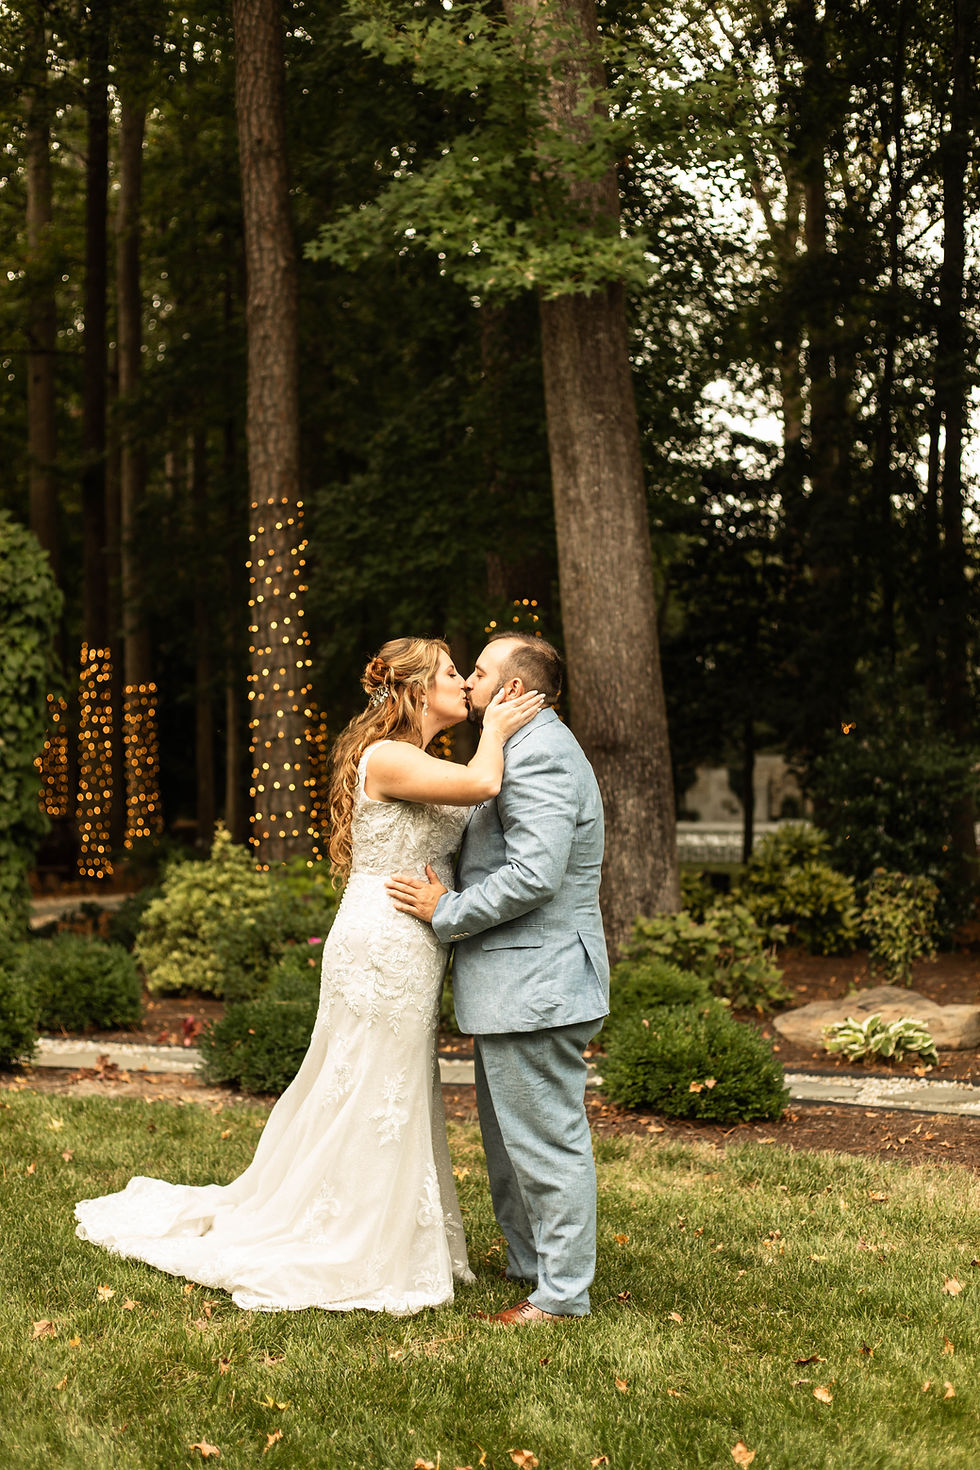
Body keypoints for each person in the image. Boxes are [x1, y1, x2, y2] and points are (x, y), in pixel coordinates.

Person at [75, 637, 544, 1315]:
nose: (464, 686)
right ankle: (345, 1233)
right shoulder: (390, 756)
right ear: (414, 692)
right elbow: (483, 785)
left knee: (386, 1086)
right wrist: (499, 728)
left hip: (410, 942)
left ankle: (381, 1224)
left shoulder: (420, 757)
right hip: (381, 944)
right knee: (368, 1084)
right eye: (449, 674)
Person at [386, 633, 608, 1326]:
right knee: (511, 1144)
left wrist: (446, 910)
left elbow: (536, 875)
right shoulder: (517, 749)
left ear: (512, 690)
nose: (469, 682)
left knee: (545, 1144)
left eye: (478, 673)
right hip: (516, 987)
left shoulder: (540, 754)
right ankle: (531, 1265)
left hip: (537, 984)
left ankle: (562, 1296)